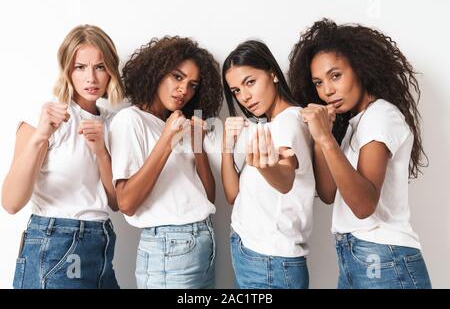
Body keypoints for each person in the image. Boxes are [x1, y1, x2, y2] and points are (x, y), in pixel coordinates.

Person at [288, 18, 432, 289]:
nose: (327, 90)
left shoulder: (381, 115)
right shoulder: (358, 122)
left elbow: (364, 206)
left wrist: (324, 139)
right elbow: (329, 193)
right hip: (357, 255)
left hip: (384, 259)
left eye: (336, 75)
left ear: (361, 68)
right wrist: (324, 137)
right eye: (318, 83)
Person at [1, 24, 124, 289]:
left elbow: (115, 203)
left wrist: (101, 151)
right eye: (80, 67)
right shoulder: (49, 115)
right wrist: (40, 136)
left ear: (111, 70)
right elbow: (10, 202)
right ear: (67, 69)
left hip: (101, 242)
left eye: (100, 67)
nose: (91, 78)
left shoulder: (115, 123)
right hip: (58, 243)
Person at [110, 36, 222, 289]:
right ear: (157, 72)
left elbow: (208, 197)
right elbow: (126, 202)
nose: (184, 90)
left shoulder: (176, 123)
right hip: (168, 248)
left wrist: (197, 145)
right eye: (177, 77)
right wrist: (167, 140)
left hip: (203, 241)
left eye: (193, 84)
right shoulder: (130, 120)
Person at [221, 40, 315, 289]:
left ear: (272, 73)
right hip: (254, 253)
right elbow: (232, 195)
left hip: (269, 262)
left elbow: (285, 179)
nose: (245, 97)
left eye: (250, 82)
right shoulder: (267, 127)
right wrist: (226, 145)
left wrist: (266, 167)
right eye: (236, 91)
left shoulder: (288, 123)